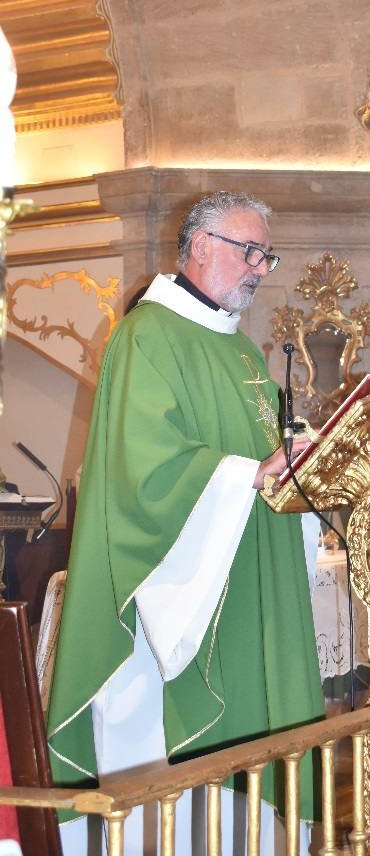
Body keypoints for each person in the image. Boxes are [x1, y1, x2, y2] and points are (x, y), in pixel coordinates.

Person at [47, 191, 324, 855]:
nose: (260, 267)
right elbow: (144, 470)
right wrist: (246, 475)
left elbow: (264, 457)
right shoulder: (147, 336)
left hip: (249, 578)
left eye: (266, 254)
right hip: (177, 592)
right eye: (248, 250)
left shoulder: (246, 354)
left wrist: (304, 456)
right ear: (201, 247)